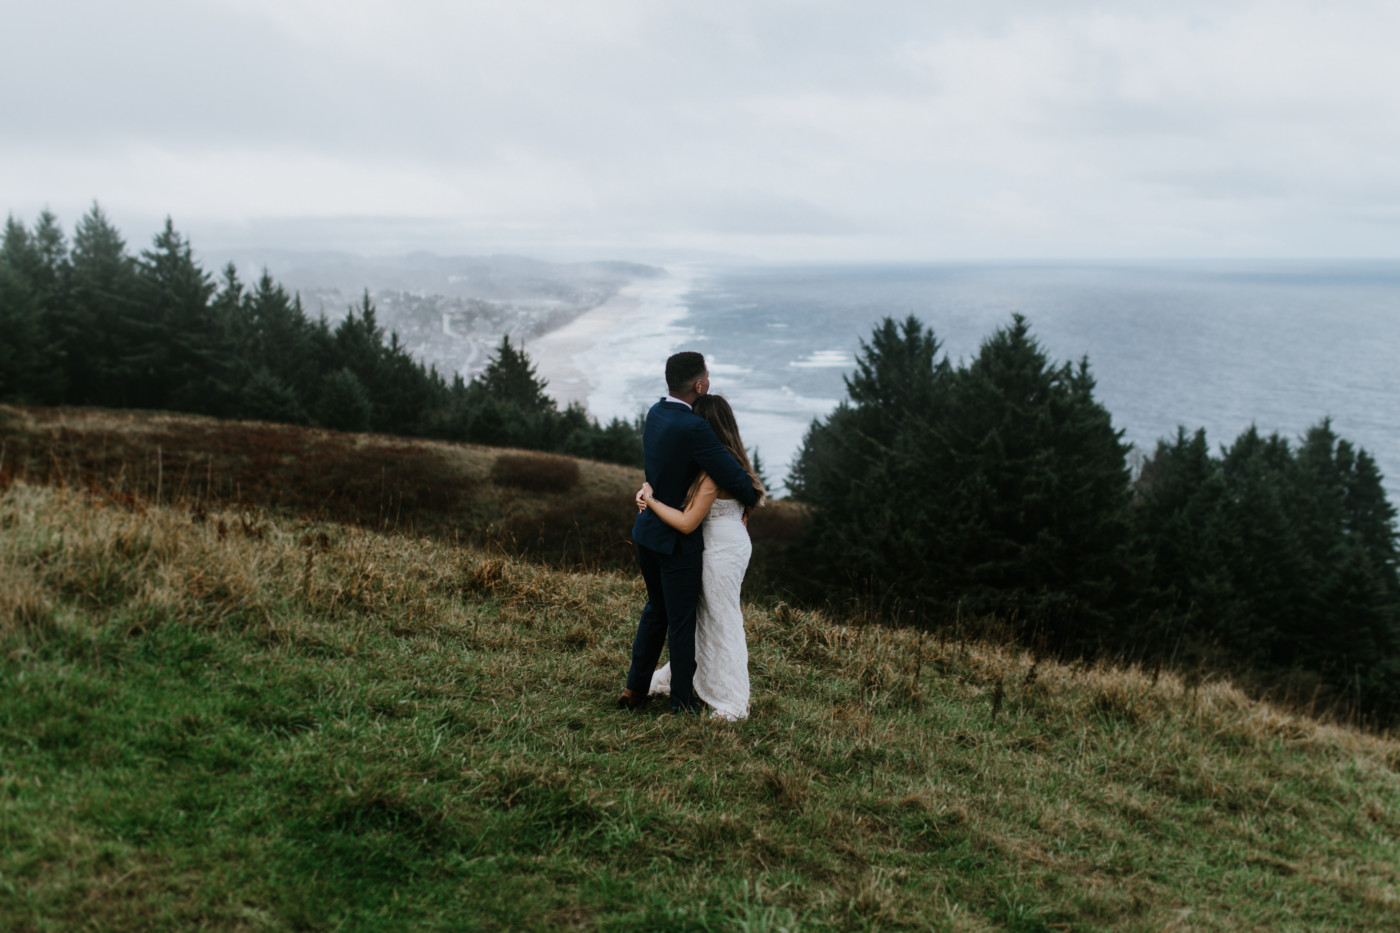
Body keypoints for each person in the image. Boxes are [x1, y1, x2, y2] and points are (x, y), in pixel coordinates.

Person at [620, 352, 760, 714]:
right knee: (682, 622)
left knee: (655, 611)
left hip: (647, 534)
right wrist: (748, 503)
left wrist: (646, 494)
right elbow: (737, 478)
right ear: (699, 385)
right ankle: (681, 702)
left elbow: (659, 469)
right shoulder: (696, 429)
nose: (709, 381)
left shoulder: (655, 413)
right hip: (677, 542)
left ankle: (634, 690)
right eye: (707, 377)